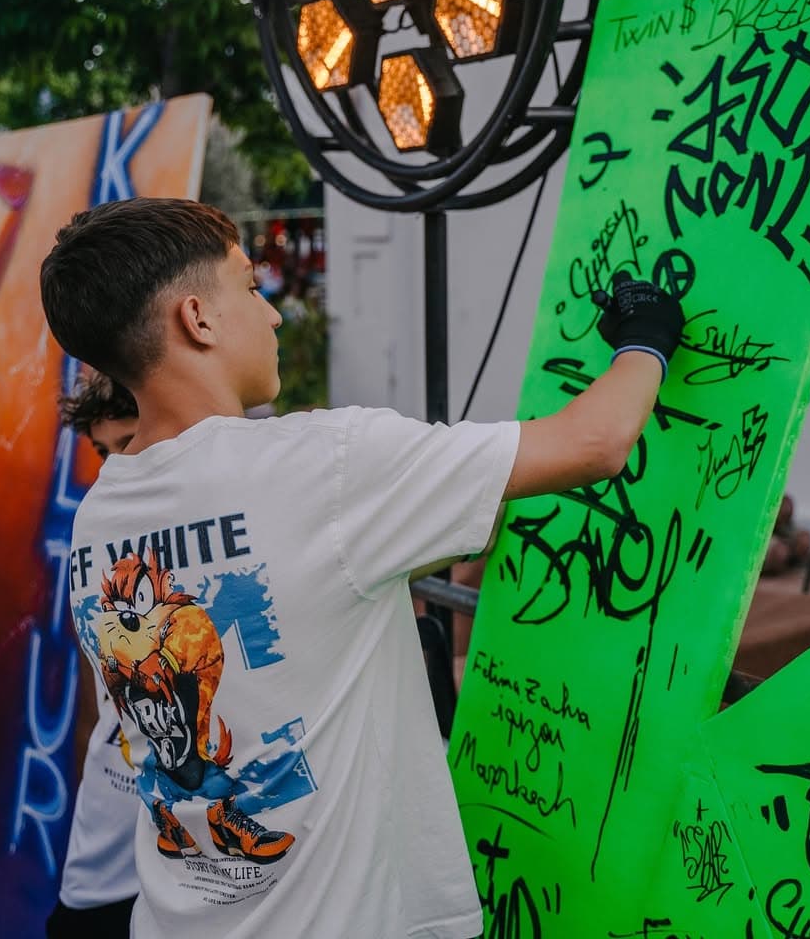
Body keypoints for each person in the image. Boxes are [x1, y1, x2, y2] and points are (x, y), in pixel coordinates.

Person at [38, 198, 683, 939]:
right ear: (198, 318)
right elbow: (596, 442)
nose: (274, 314)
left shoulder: (101, 516)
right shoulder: (323, 467)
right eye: (251, 286)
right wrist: (647, 335)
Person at [48, 372, 141, 938]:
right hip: (101, 862)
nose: (112, 468)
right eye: (104, 451)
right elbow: (92, 712)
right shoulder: (96, 541)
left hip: (198, 871)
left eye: (127, 443)